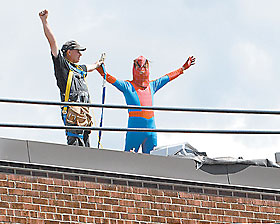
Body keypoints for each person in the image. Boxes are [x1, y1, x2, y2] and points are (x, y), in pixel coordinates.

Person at [96, 55, 195, 154]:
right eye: (138, 67)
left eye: (144, 67)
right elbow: (112, 80)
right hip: (134, 131)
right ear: (134, 68)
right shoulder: (127, 86)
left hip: (151, 131)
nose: (141, 70)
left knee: (152, 160)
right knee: (128, 159)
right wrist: (102, 72)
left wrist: (183, 68)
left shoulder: (152, 85)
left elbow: (167, 77)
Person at [39, 9, 103, 146]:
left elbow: (90, 67)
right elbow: (53, 43)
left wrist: (99, 63)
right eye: (78, 51)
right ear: (69, 52)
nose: (80, 54)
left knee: (86, 146)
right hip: (73, 117)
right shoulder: (63, 66)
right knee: (74, 146)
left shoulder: (79, 69)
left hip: (84, 116)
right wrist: (45, 21)